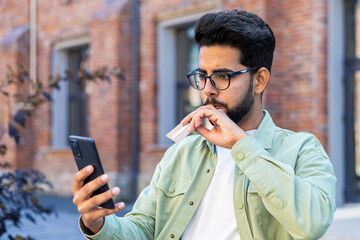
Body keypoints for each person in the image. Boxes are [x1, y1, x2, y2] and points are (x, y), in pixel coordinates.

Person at [72, 9, 336, 240]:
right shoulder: (182, 152)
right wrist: (99, 225)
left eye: (222, 76)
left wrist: (241, 144)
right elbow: (144, 229)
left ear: (259, 80)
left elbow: (311, 224)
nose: (208, 89)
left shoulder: (302, 149)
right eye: (202, 75)